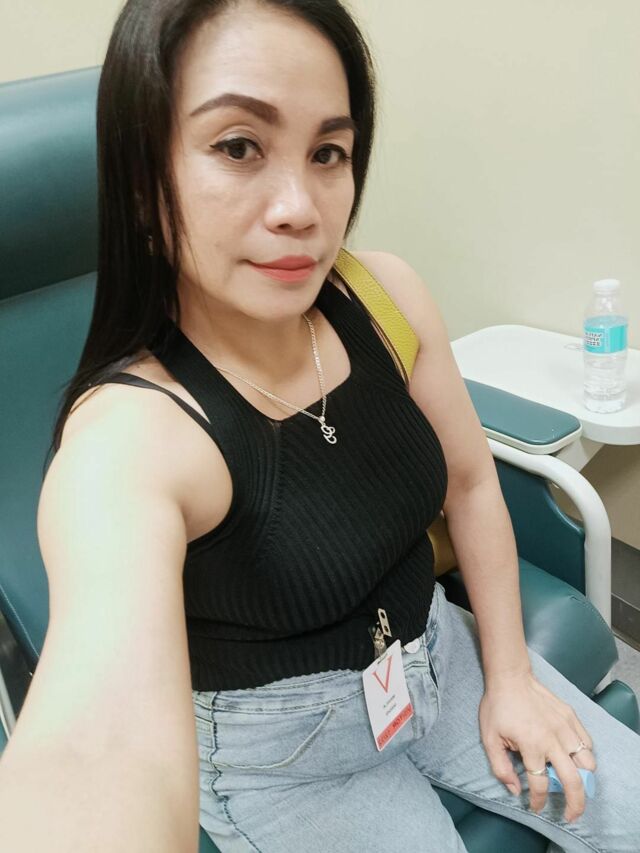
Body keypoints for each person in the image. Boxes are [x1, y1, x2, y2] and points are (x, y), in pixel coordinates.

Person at [0, 1, 639, 851]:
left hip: (439, 655)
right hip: (285, 758)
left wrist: (511, 675)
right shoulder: (133, 437)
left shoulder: (384, 296)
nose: (301, 207)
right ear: (144, 182)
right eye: (238, 146)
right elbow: (97, 749)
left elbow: (471, 481)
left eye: (328, 151)